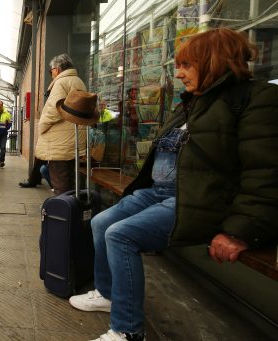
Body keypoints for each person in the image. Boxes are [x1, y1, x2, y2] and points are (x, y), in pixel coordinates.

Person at [69, 28, 278, 341]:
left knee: (121, 235)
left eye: (186, 66)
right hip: (160, 193)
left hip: (198, 200)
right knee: (101, 222)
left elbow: (264, 170)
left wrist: (240, 230)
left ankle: (127, 330)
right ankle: (108, 293)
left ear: (214, 62)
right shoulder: (193, 102)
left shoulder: (255, 98)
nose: (179, 74)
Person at [34, 53, 88, 195]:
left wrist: (42, 126)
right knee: (69, 181)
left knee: (60, 183)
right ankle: (70, 211)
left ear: (57, 69)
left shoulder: (62, 82)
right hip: (72, 138)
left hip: (60, 142)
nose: (51, 73)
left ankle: (61, 214)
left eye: (50, 70)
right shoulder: (78, 81)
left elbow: (54, 109)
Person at [0, 100, 12, 168]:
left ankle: (2, 161)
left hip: (4, 133)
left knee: (3, 147)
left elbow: (10, 123)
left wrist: (7, 127)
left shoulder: (7, 113)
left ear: (2, 105)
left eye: (1, 104)